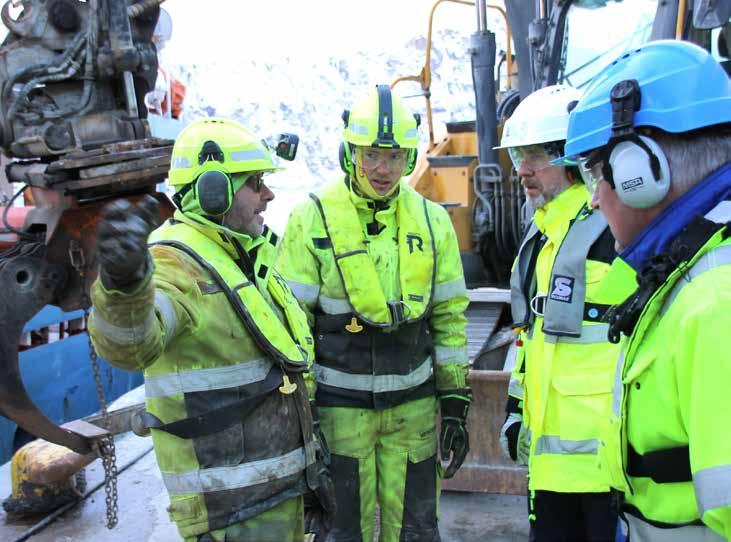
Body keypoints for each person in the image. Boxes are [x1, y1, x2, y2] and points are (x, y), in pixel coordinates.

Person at [88, 117, 333, 542]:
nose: (269, 194)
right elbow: (133, 346)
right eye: (256, 183)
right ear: (213, 192)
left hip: (274, 493)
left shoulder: (239, 255)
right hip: (231, 511)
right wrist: (124, 287)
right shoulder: (174, 262)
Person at [276, 85, 470, 541]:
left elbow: (449, 318)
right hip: (340, 415)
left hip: (414, 412)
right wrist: (299, 415)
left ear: (409, 156)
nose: (383, 170)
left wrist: (457, 401)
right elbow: (290, 322)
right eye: (371, 156)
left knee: (416, 530)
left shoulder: (432, 221)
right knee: (343, 530)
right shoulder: (312, 218)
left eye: (395, 157)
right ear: (350, 152)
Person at [557, 39, 731, 541]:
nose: (594, 199)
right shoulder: (690, 276)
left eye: (596, 172)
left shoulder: (714, 302)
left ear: (641, 173)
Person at [497, 84, 636, 541]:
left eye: (535, 157)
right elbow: (530, 340)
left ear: (571, 160)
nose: (523, 172)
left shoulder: (616, 232)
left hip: (608, 472)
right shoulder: (538, 240)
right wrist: (516, 409)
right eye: (518, 158)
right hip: (548, 467)